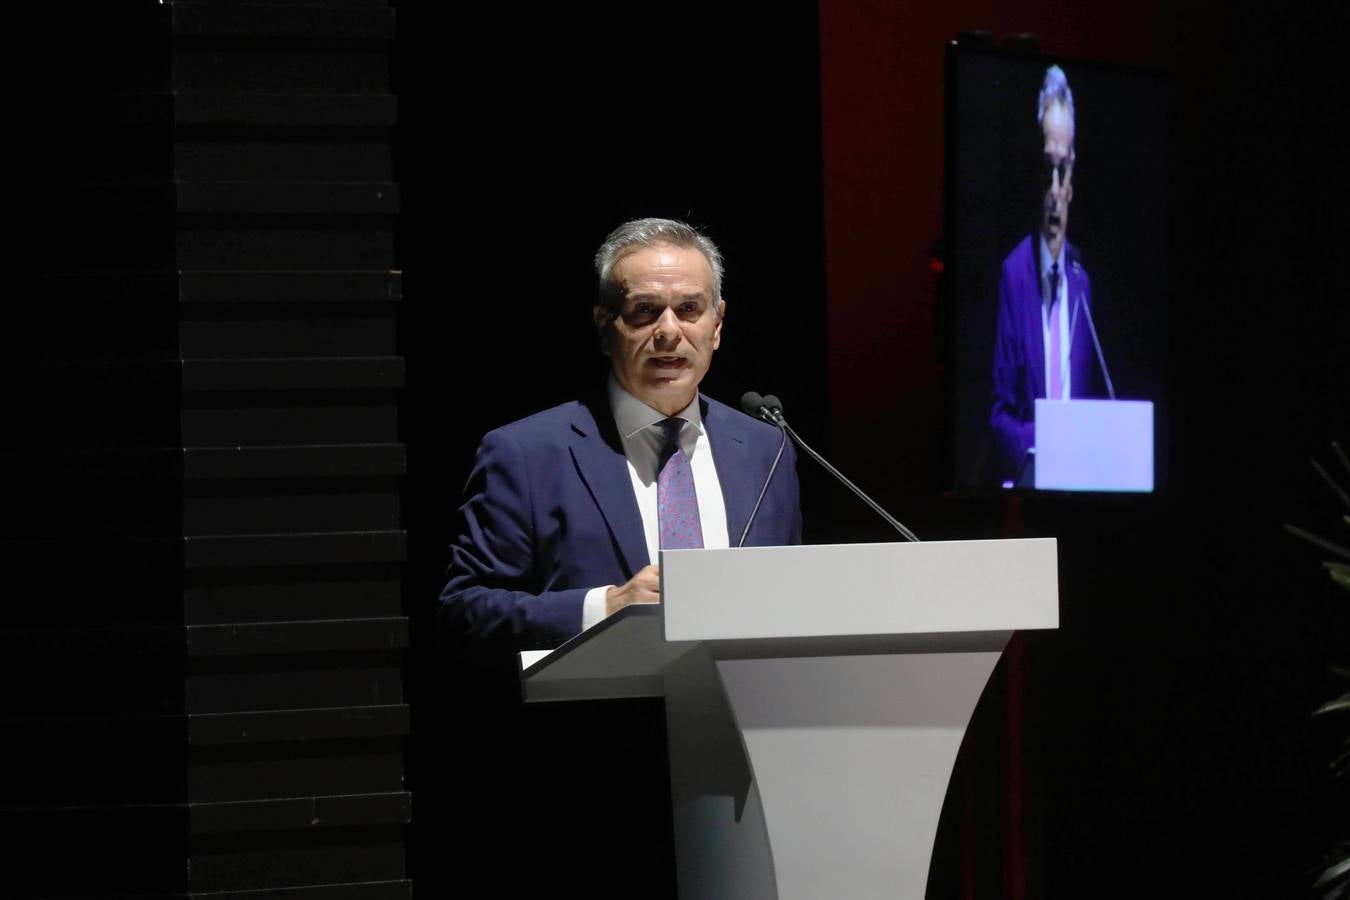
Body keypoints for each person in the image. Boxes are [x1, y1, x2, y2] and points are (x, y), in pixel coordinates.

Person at [439, 217, 803, 649]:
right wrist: (604, 609)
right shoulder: (526, 453)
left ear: (717, 324)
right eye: (645, 310)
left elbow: (790, 598)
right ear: (604, 324)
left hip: (740, 711)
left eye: (689, 309)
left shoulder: (767, 448)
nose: (669, 332)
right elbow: (464, 608)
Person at [990, 64, 1106, 483]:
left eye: (1064, 170)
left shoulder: (1082, 283)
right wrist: (1054, 440)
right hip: (1029, 487)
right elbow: (999, 418)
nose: (1055, 189)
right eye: (1047, 170)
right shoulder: (1013, 275)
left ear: (1073, 176)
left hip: (1081, 490)